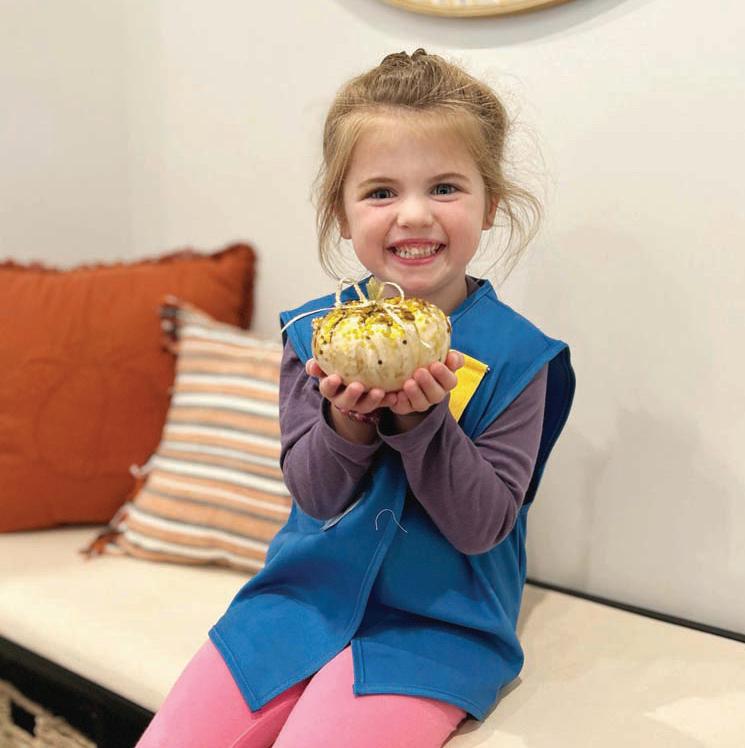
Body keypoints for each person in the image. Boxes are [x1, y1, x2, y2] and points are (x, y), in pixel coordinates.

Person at [136, 48, 576, 748]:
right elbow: (314, 496)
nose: (413, 215)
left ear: (490, 204)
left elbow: (481, 527)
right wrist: (346, 419)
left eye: (444, 187)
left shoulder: (522, 358)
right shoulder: (312, 334)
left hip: (437, 630)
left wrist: (424, 423)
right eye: (379, 192)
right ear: (340, 213)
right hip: (295, 605)